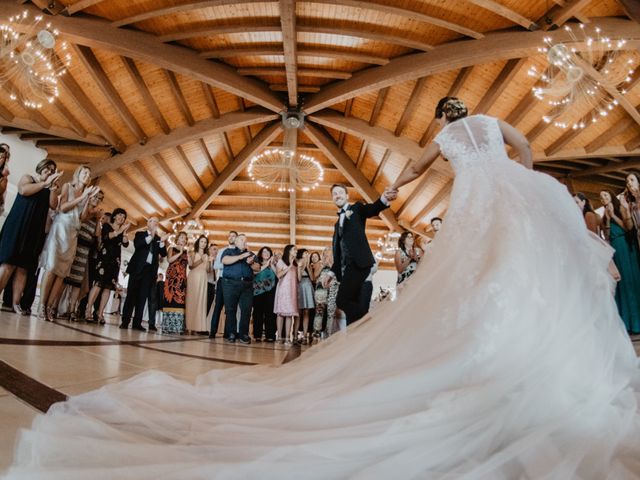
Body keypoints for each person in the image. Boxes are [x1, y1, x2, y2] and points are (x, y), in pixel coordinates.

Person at [7, 98, 640, 479]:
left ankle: (487, 343)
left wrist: (393, 194)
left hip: (474, 199)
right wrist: (521, 179)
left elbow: (413, 173)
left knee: (474, 271)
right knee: (521, 264)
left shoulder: (444, 139)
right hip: (511, 194)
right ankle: (521, 344)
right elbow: (526, 146)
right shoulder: (492, 122)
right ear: (469, 115)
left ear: (443, 119)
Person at [0, 159, 61, 314]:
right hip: (18, 226)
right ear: (40, 168)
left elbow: (54, 205)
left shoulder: (49, 187)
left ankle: (16, 303)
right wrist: (45, 183)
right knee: (8, 264)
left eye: (53, 170)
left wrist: (53, 188)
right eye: (47, 168)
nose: (50, 171)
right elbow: (23, 191)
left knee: (23, 269)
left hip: (34, 232)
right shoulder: (28, 178)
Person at [39, 165, 99, 320]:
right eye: (85, 172)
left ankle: (50, 307)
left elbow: (82, 218)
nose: (87, 175)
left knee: (62, 274)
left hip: (73, 234)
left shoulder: (86, 194)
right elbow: (63, 207)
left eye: (89, 173)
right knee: (51, 268)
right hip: (60, 230)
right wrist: (82, 196)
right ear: (78, 174)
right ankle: (41, 305)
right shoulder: (68, 187)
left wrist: (88, 200)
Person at [331, 183, 397, 325]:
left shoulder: (357, 208)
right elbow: (337, 251)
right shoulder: (337, 225)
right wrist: (332, 273)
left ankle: (367, 321)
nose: (337, 195)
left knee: (341, 300)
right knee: (351, 306)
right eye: (334, 194)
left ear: (347, 195)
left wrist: (384, 198)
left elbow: (372, 209)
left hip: (359, 264)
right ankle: (356, 334)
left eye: (340, 192)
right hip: (347, 269)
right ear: (332, 199)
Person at [601, 189, 640, 335]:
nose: (603, 198)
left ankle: (637, 323)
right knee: (621, 284)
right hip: (615, 249)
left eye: (605, 195)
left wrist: (613, 216)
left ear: (611, 196)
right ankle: (627, 324)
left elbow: (628, 228)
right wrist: (608, 220)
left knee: (631, 280)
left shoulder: (621, 209)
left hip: (626, 246)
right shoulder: (604, 215)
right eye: (600, 197)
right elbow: (607, 235)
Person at [120, 217, 168, 332]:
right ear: (148, 224)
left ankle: (137, 323)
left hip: (149, 272)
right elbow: (138, 245)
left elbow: (163, 254)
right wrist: (151, 235)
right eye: (152, 221)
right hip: (137, 269)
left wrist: (162, 242)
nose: (155, 223)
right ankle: (125, 322)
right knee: (131, 296)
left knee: (142, 298)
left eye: (157, 222)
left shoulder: (158, 239)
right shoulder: (140, 234)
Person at [85, 208, 131, 324]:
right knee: (98, 284)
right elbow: (106, 237)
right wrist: (120, 231)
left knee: (108, 288)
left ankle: (100, 313)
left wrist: (125, 233)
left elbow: (125, 244)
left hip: (115, 262)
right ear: (114, 216)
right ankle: (88, 309)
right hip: (104, 259)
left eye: (124, 217)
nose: (122, 218)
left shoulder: (122, 230)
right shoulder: (107, 226)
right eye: (120, 215)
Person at [220, 233, 255, 344]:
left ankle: (244, 334)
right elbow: (224, 260)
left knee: (246, 309)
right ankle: (231, 333)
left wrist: (252, 263)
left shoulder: (251, 254)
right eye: (241, 239)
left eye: (245, 240)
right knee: (230, 309)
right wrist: (241, 257)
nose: (244, 242)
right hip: (230, 284)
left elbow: (258, 268)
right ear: (236, 242)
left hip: (247, 285)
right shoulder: (228, 251)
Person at [209, 231, 237, 339]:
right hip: (222, 280)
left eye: (233, 236)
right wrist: (230, 263)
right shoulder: (221, 251)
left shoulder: (239, 252)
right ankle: (212, 331)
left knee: (230, 308)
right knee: (218, 307)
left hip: (233, 282)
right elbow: (216, 265)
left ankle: (227, 333)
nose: (231, 237)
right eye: (229, 236)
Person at [161, 232, 188, 334]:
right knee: (169, 300)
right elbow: (169, 260)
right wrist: (180, 253)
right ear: (177, 239)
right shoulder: (172, 249)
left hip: (182, 280)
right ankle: (167, 327)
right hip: (171, 279)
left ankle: (178, 327)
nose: (183, 240)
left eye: (185, 238)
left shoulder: (187, 252)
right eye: (181, 237)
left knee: (180, 301)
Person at [251, 246, 277, 342]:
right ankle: (257, 335)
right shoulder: (256, 263)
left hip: (270, 292)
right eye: (264, 252)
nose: (266, 253)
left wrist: (272, 264)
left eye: (268, 252)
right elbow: (256, 271)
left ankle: (270, 335)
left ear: (270, 254)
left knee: (270, 314)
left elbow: (278, 274)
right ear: (261, 254)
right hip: (258, 292)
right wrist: (266, 264)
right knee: (257, 313)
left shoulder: (273, 264)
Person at [185, 235, 210, 335]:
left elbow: (208, 270)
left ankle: (195, 327)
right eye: (201, 241)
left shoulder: (206, 255)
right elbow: (191, 267)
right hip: (194, 277)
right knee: (192, 300)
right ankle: (188, 326)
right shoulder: (193, 252)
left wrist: (210, 262)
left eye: (205, 242)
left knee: (200, 302)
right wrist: (201, 260)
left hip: (203, 278)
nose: (203, 244)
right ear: (198, 242)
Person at [273, 244, 298, 344]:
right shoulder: (281, 261)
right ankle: (279, 337)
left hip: (292, 290)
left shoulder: (295, 264)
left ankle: (287, 337)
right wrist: (289, 266)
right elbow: (278, 275)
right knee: (281, 313)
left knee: (290, 314)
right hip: (283, 290)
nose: (296, 251)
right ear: (288, 251)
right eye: (294, 250)